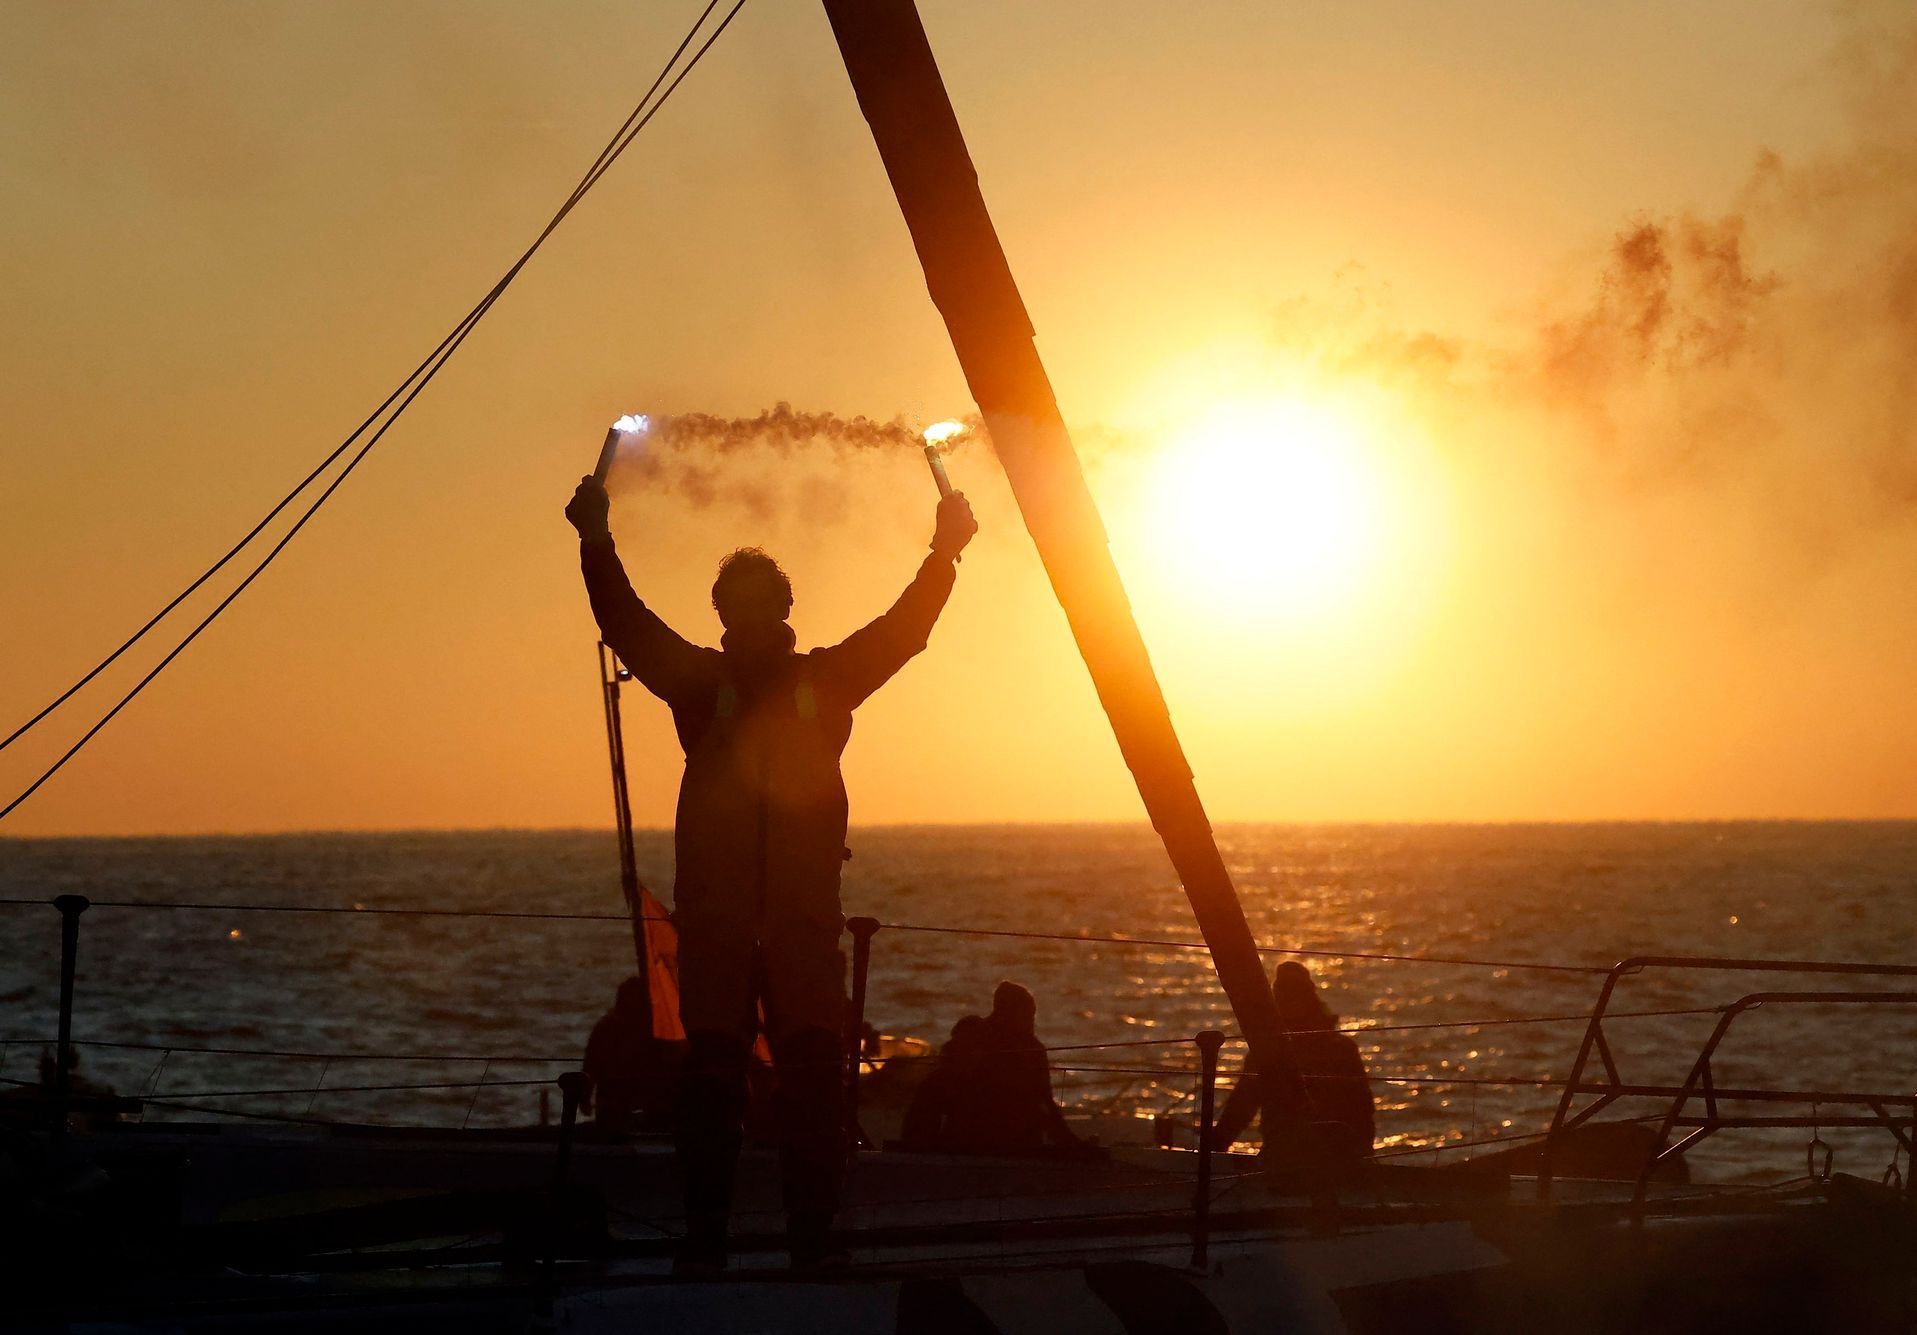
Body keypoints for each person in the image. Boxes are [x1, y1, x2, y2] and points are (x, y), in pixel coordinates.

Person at [565, 471, 976, 1273]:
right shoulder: (695, 684)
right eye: (737, 605)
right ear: (721, 615)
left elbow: (904, 630)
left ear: (784, 611)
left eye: (763, 603)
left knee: (816, 1084)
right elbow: (625, 621)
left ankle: (813, 1242)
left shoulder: (826, 682)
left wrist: (945, 553)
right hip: (717, 922)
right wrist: (594, 539)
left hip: (799, 921)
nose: (751, 618)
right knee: (711, 1087)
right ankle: (706, 1243)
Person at [1213, 961, 1375, 1160]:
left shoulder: (1339, 1050)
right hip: (1323, 1154)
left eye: (1293, 996)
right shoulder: (1342, 1048)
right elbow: (1240, 1110)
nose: (1290, 1003)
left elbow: (1362, 1110)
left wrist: (1212, 1150)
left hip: (1314, 1155)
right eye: (1285, 996)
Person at [903, 982, 1088, 1156]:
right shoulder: (977, 1037)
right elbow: (1046, 1105)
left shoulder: (1028, 1047)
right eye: (1028, 1015)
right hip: (986, 1140)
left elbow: (1045, 1104)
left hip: (1000, 1140)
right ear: (1009, 1013)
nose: (1032, 1023)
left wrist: (1072, 1144)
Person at [581, 976, 682, 1134]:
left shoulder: (656, 1032)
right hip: (616, 1108)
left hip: (646, 1109)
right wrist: (584, 1098)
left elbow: (590, 1065)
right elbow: (591, 1066)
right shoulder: (607, 1029)